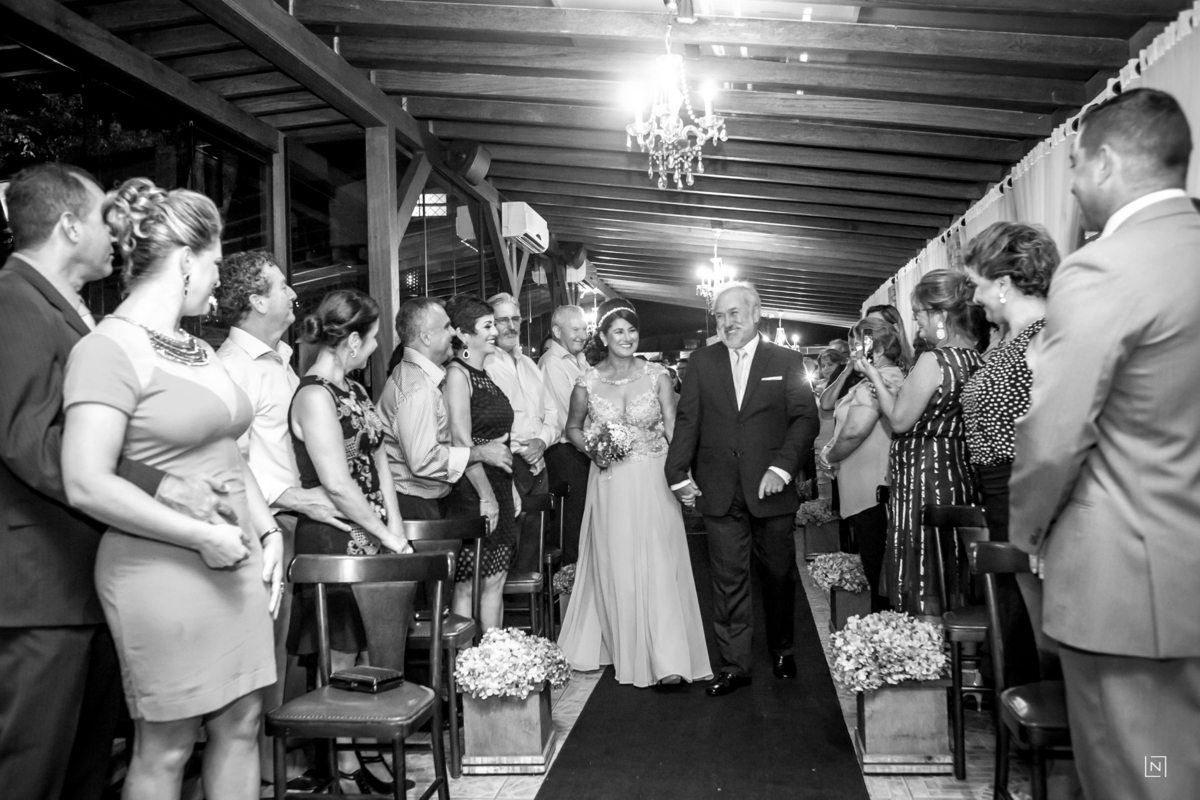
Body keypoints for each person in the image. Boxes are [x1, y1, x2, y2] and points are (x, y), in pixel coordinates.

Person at [0, 165, 225, 800]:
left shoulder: (71, 309)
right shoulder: (13, 300)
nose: (120, 229)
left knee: (87, 770)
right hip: (39, 584)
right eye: (105, 217)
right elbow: (27, 438)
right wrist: (157, 485)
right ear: (70, 226)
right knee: (30, 772)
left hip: (83, 578)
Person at [60, 177, 283, 800]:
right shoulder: (106, 349)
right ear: (186, 261)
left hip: (235, 560)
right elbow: (85, 481)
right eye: (214, 265)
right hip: (159, 568)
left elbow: (228, 453)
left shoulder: (197, 349)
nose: (218, 281)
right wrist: (198, 536)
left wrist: (267, 530)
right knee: (168, 744)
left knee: (242, 723)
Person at [1011, 88, 1200, 800]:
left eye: (1076, 167)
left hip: (1129, 588)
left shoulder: (1105, 267)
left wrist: (1029, 533)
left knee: (1140, 777)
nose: (1072, 186)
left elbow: (1054, 435)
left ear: (1108, 162)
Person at [214, 250, 351, 787]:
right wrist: (297, 498)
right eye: (281, 286)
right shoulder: (233, 367)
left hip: (298, 518)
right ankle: (272, 772)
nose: (295, 294)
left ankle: (299, 759)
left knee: (298, 649)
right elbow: (232, 457)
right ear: (254, 300)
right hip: (270, 523)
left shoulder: (282, 358)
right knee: (273, 652)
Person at [666, 282, 818, 696]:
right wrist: (677, 473)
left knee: (778, 574)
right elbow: (688, 420)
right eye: (719, 315)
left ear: (755, 313)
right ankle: (735, 665)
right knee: (727, 579)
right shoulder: (702, 362)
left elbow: (805, 419)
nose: (726, 322)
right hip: (718, 487)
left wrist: (782, 469)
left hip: (772, 488)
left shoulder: (786, 360)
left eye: (734, 313)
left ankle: (783, 648)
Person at [558, 299, 711, 688]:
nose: (627, 338)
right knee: (619, 563)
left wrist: (685, 474)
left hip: (654, 477)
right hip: (610, 482)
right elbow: (572, 428)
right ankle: (626, 646)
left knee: (660, 561)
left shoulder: (658, 376)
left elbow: (673, 428)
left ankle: (668, 659)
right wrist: (593, 448)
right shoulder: (587, 382)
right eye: (618, 332)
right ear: (603, 337)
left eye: (632, 331)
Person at [286, 291, 411, 669]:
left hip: (375, 531)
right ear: (353, 341)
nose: (375, 347)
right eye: (372, 338)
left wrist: (395, 524)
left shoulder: (355, 390)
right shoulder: (314, 395)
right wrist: (385, 534)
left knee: (378, 650)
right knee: (342, 657)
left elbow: (379, 460)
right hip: (335, 536)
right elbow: (337, 483)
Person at [860, 269, 983, 617]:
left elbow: (900, 420)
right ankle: (949, 629)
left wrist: (873, 377)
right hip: (956, 473)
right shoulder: (975, 357)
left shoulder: (934, 360)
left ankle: (924, 632)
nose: (917, 323)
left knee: (923, 558)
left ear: (940, 315)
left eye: (919, 314)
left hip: (924, 476)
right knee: (949, 559)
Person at [377, 297, 512, 523]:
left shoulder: (421, 377)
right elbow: (424, 460)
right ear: (426, 337)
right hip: (414, 504)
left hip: (420, 500)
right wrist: (480, 453)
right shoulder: (417, 388)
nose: (452, 333)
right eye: (446, 327)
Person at [442, 294, 518, 632]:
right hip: (472, 489)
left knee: (496, 578)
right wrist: (487, 497)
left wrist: (509, 489)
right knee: (469, 581)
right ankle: (465, 661)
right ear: (463, 334)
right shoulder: (457, 375)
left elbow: (500, 441)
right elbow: (461, 441)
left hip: (499, 484)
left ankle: (493, 657)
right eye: (487, 326)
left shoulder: (484, 374)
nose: (495, 331)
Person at [820, 318, 906, 612]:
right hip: (863, 487)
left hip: (873, 489)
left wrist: (830, 456)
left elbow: (856, 430)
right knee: (874, 568)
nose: (853, 351)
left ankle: (884, 630)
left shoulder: (883, 381)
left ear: (876, 350)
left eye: (857, 345)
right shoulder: (872, 379)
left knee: (878, 572)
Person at [484, 292, 559, 576]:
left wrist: (542, 440)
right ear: (490, 324)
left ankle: (527, 606)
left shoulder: (529, 364)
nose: (510, 326)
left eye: (515, 319)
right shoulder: (484, 364)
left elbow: (552, 412)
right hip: (506, 464)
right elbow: (484, 423)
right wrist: (521, 446)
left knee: (532, 551)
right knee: (505, 554)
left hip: (539, 462)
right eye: (502, 320)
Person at [538, 304, 591, 565]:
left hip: (582, 450)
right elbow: (567, 417)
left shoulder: (579, 360)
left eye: (585, 329)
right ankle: (569, 585)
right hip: (566, 453)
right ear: (557, 332)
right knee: (571, 526)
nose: (582, 335)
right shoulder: (553, 363)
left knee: (584, 524)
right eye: (575, 329)